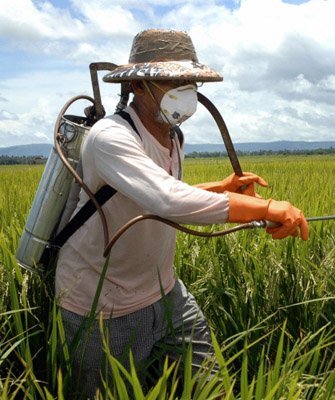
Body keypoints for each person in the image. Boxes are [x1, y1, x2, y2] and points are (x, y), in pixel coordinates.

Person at [55, 28, 309, 398]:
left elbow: (158, 193)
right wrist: (265, 208)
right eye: (173, 80)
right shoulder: (110, 137)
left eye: (189, 80)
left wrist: (220, 190)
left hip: (164, 291)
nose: (186, 89)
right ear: (138, 86)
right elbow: (166, 199)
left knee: (210, 388)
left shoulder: (174, 135)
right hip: (101, 304)